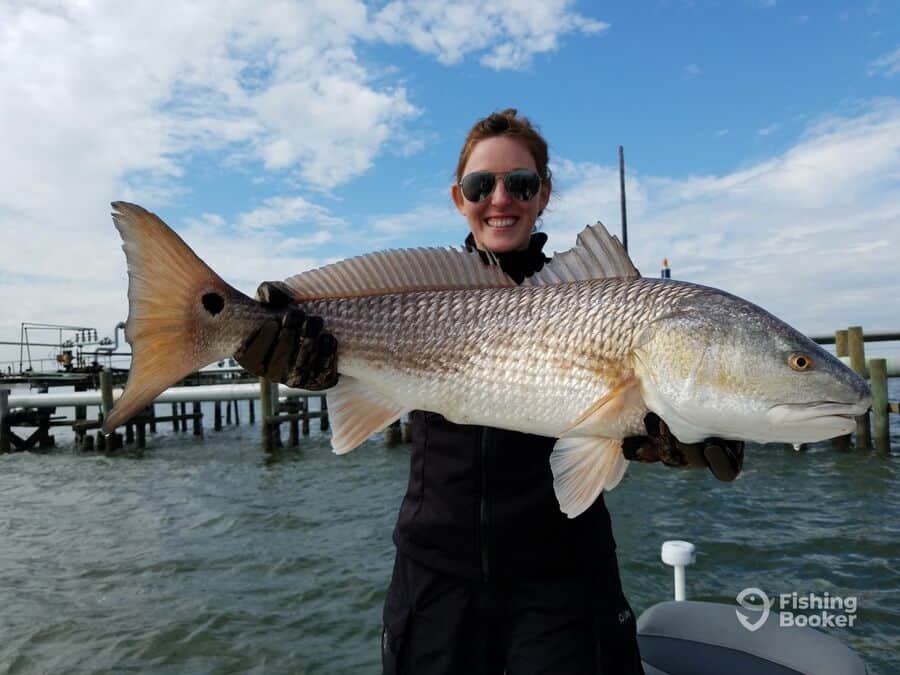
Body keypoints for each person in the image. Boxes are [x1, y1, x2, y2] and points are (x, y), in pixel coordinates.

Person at [235, 109, 743, 674]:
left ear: (544, 193)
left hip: (565, 577)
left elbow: (630, 421)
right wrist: (296, 352)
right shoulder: (414, 294)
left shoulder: (608, 301)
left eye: (520, 183)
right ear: (459, 197)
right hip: (434, 574)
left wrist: (685, 428)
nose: (500, 198)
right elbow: (340, 360)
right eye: (482, 185)